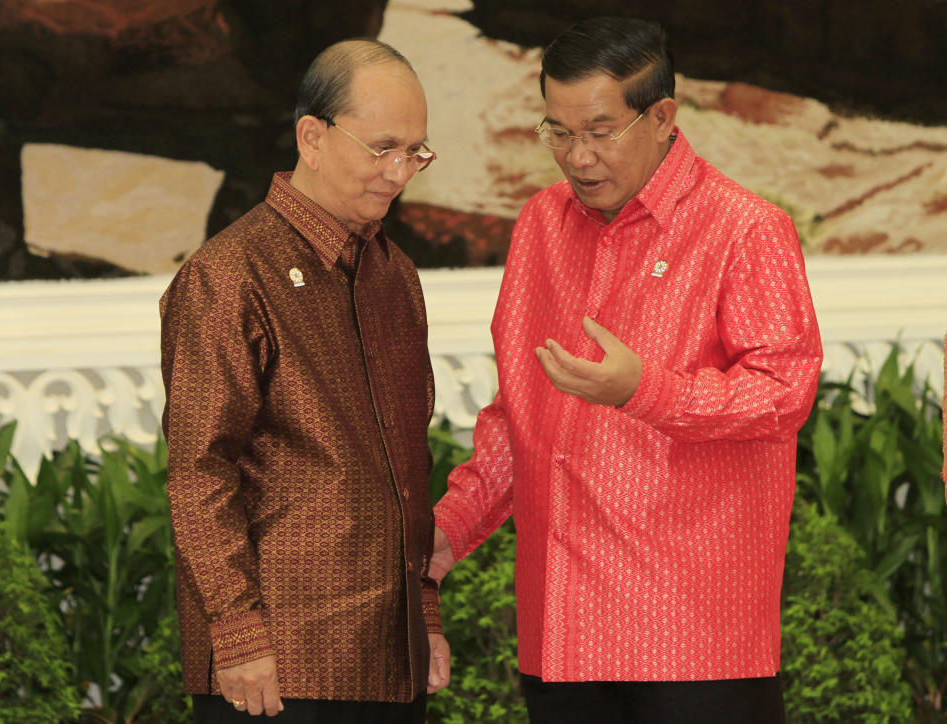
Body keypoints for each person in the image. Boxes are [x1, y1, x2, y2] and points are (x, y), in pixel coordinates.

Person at [429, 17, 823, 724]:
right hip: (564, 633)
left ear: (662, 117)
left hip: (694, 640)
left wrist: (645, 390)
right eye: (558, 132)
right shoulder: (540, 226)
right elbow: (520, 411)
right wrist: (450, 530)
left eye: (600, 131)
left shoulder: (744, 228)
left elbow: (784, 393)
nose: (578, 157)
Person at [160, 39, 449, 723]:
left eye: (416, 151)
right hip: (277, 666)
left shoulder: (394, 274)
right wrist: (236, 633)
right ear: (312, 138)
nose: (400, 171)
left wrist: (426, 612)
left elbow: (410, 457)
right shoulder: (228, 276)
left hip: (390, 656)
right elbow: (199, 472)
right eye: (383, 148)